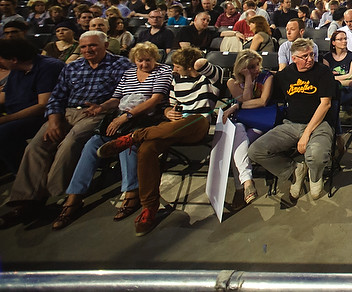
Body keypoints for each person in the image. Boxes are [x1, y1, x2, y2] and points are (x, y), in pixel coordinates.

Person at [0, 31, 132, 229]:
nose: (87, 50)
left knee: (70, 142)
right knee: (36, 146)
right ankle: (26, 200)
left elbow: (125, 95)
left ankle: (52, 196)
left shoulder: (120, 65)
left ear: (105, 46)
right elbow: (57, 96)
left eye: (92, 45)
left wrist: (103, 107)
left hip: (98, 112)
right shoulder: (73, 67)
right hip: (67, 112)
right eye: (83, 47)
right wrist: (53, 122)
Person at [96, 47, 223, 235]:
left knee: (192, 120)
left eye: (177, 66)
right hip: (172, 126)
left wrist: (194, 60)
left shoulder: (210, 78)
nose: (173, 69)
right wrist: (168, 112)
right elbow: (170, 105)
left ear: (189, 66)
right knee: (147, 149)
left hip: (199, 123)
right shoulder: (175, 80)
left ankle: (133, 136)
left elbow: (204, 66)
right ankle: (149, 207)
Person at [51, 43, 172, 230]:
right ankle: (74, 197)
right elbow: (116, 98)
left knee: (126, 143)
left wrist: (126, 117)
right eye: (140, 60)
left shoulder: (162, 71)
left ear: (155, 58)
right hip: (121, 118)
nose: (144, 64)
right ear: (134, 61)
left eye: (148, 60)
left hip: (146, 119)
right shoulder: (130, 73)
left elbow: (154, 100)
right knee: (92, 144)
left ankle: (131, 192)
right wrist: (102, 107)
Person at [248, 38, 335, 207]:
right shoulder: (286, 74)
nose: (310, 59)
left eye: (311, 55)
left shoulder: (323, 72)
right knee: (255, 151)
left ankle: (315, 176)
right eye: (304, 56)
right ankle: (294, 170)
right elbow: (266, 92)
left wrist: (307, 134)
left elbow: (326, 104)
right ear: (294, 58)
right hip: (291, 124)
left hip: (319, 124)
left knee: (315, 155)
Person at [0, 40, 63, 179]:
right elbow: (1, 101)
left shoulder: (48, 67)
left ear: (14, 59)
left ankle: (28, 174)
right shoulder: (16, 71)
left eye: (0, 59)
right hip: (13, 114)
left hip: (39, 116)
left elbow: (42, 105)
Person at [221, 50, 274, 209]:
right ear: (241, 68)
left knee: (236, 148)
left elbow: (262, 101)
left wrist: (237, 106)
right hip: (242, 121)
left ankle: (241, 187)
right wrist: (248, 80)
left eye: (257, 65)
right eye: (250, 67)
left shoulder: (267, 77)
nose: (256, 69)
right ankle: (247, 183)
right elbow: (249, 99)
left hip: (260, 121)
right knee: (237, 135)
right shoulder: (232, 82)